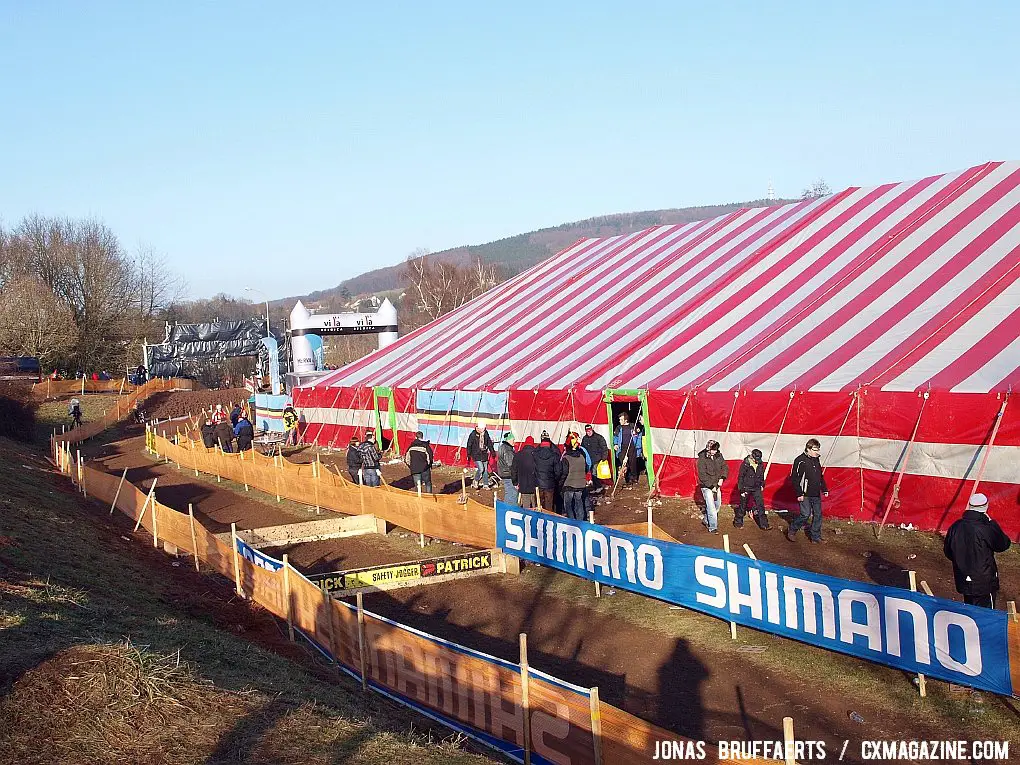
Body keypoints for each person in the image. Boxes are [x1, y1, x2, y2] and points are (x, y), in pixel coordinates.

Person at [944, 493, 1011, 608]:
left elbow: (948, 551)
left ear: (970, 506)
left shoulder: (956, 526)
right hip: (984, 582)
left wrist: (961, 562)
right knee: (986, 615)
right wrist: (993, 524)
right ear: (985, 507)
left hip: (963, 578)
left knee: (970, 613)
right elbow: (1003, 544)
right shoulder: (986, 528)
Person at [787, 438, 828, 543]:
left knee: (818, 514)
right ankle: (792, 529)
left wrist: (824, 488)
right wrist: (799, 493)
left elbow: (819, 475)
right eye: (815, 450)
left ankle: (815, 537)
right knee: (805, 514)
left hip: (815, 493)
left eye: (818, 450)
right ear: (808, 448)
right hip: (804, 493)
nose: (817, 452)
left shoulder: (816, 459)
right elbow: (795, 478)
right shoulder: (800, 460)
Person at [696, 440, 729, 534]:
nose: (715, 451)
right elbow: (702, 475)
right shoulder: (702, 459)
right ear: (709, 449)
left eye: (716, 449)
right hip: (707, 486)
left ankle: (706, 520)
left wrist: (722, 478)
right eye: (713, 450)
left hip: (717, 485)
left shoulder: (719, 455)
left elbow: (725, 467)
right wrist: (711, 486)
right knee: (711, 508)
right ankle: (713, 527)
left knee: (717, 505)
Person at [736, 449, 770, 530]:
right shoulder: (745, 464)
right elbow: (740, 477)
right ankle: (738, 522)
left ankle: (764, 524)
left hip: (757, 487)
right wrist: (741, 490)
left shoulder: (760, 463)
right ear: (752, 457)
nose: (757, 461)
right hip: (746, 487)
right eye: (756, 459)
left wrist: (762, 484)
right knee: (742, 506)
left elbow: (762, 475)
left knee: (760, 505)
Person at [561, 432, 589, 521]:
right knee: (579, 503)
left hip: (569, 484)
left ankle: (571, 522)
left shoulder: (566, 458)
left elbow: (564, 473)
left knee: (568, 505)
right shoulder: (582, 456)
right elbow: (586, 468)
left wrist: (560, 484)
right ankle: (580, 521)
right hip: (580, 484)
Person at [534, 434, 564, 512]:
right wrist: (554, 479)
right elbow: (558, 471)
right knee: (549, 505)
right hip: (550, 484)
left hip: (538, 483)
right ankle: (548, 521)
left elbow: (533, 468)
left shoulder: (535, 453)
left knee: (539, 505)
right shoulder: (554, 454)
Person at [466, 421, 496, 490]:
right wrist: (468, 454)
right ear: (478, 428)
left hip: (484, 454)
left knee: (485, 470)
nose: (484, 430)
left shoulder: (485, 433)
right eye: (482, 428)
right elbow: (469, 444)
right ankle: (475, 480)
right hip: (476, 454)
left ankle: (486, 484)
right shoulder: (473, 434)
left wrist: (492, 451)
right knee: (481, 469)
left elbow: (489, 443)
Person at [511, 436, 539, 508]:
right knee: (535, 504)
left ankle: (526, 517)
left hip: (523, 484)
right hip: (535, 484)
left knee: (526, 505)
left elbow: (514, 469)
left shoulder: (518, 455)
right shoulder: (536, 454)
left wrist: (515, 482)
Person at [581, 424, 609, 494]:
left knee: (594, 473)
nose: (589, 432)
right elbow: (582, 449)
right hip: (589, 460)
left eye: (590, 430)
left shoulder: (598, 437)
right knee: (592, 474)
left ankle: (599, 487)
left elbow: (604, 447)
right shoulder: (585, 439)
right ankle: (596, 487)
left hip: (597, 459)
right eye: (587, 431)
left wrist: (604, 457)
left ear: (592, 430)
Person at [614, 413, 640, 485]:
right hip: (622, 448)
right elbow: (615, 436)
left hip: (632, 447)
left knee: (632, 463)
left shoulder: (632, 426)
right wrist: (615, 444)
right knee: (624, 462)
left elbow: (638, 436)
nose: (620, 421)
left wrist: (638, 446)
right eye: (619, 419)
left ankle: (634, 478)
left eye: (621, 419)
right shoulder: (618, 428)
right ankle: (627, 478)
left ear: (625, 420)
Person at [497, 432, 518, 505]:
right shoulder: (508, 449)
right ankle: (512, 509)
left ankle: (506, 508)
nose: (514, 442)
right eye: (513, 440)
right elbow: (511, 464)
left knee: (508, 492)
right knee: (513, 493)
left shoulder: (502, 447)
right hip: (508, 473)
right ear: (508, 440)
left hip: (503, 472)